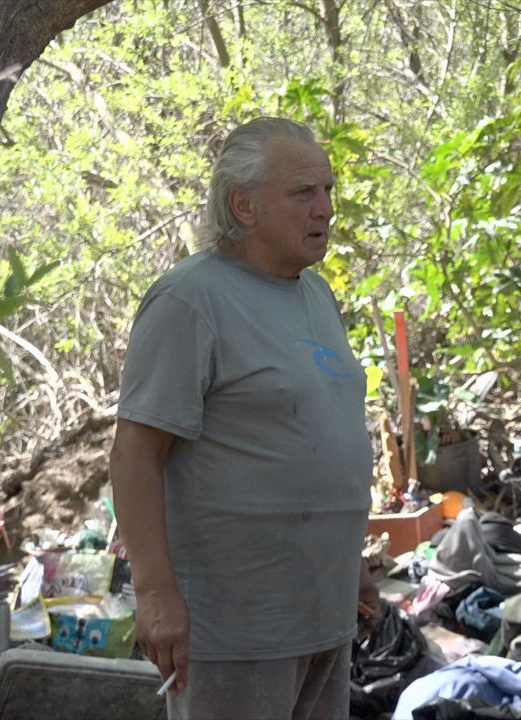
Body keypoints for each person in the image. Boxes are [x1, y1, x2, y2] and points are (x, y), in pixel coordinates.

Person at [110, 117, 376, 720]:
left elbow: (317, 440)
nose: (325, 209)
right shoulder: (189, 300)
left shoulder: (317, 296)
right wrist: (154, 592)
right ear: (244, 205)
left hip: (323, 616)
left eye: (329, 191)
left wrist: (351, 564)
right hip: (235, 631)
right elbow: (135, 453)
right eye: (304, 193)